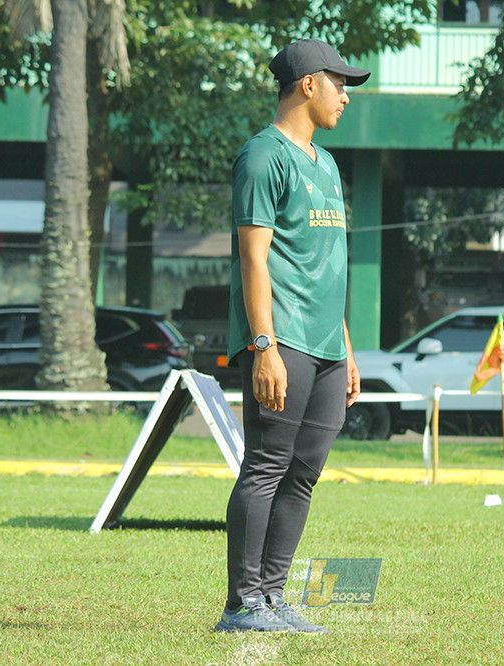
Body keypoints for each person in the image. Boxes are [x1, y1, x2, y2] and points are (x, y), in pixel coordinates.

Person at [215, 38, 368, 634]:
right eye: (340, 84)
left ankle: (273, 599)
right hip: (284, 341)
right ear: (309, 84)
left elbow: (329, 261)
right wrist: (264, 347)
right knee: (266, 466)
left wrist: (347, 348)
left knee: (303, 472)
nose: (346, 97)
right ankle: (242, 603)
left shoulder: (325, 164)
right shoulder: (261, 157)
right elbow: (254, 262)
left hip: (328, 347)